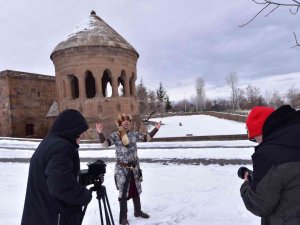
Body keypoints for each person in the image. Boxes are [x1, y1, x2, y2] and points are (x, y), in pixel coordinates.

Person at [21, 109, 92, 225]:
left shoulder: (50, 143)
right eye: (81, 131)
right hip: (52, 217)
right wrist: (84, 195)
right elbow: (59, 186)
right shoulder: (61, 148)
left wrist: (87, 174)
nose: (83, 135)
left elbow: (55, 176)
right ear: (72, 129)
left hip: (40, 215)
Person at [96, 113, 161, 225]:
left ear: (130, 123)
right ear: (120, 123)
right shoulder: (116, 135)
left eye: (128, 120)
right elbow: (105, 144)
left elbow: (146, 138)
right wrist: (100, 133)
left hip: (134, 168)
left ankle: (137, 211)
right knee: (123, 193)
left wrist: (156, 129)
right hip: (122, 170)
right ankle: (123, 218)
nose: (126, 121)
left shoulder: (134, 134)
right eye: (123, 120)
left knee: (135, 189)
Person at [240, 105, 300, 225]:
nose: (256, 142)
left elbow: (259, 205)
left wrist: (246, 185)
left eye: (254, 138)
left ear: (262, 131)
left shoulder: (268, 154)